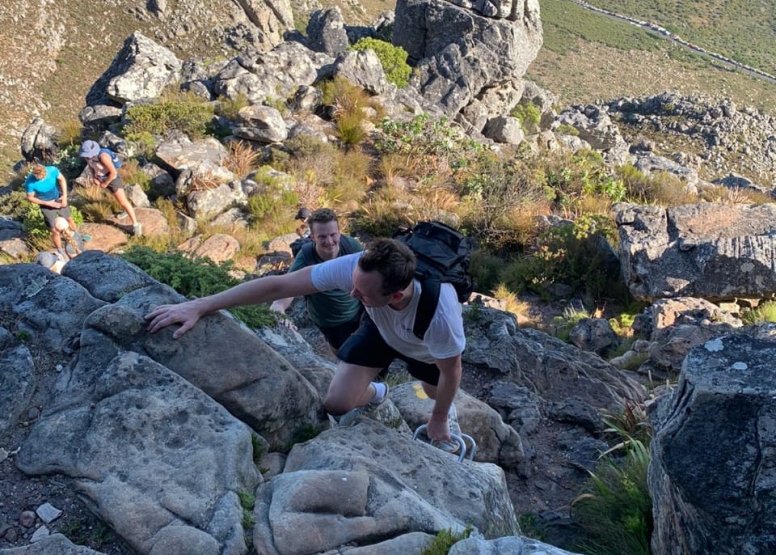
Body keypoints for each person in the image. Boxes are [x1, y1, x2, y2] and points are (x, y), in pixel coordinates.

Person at [146, 238, 466, 452]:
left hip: (423, 345)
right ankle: (380, 393)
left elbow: (452, 372)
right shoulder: (358, 270)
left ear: (396, 295)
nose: (352, 295)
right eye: (353, 285)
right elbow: (280, 284)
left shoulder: (440, 314)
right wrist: (201, 305)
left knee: (436, 390)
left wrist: (436, 417)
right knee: (337, 404)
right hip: (381, 330)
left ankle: (445, 415)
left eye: (362, 293)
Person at [270, 208, 364, 353]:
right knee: (345, 352)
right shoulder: (307, 256)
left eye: (333, 235)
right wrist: (278, 306)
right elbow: (288, 285)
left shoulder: (352, 246)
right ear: (313, 237)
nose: (329, 241)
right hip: (331, 321)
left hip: (359, 309)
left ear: (339, 232)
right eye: (322, 237)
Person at [79, 140, 142, 237]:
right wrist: (94, 177)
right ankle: (126, 210)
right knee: (116, 198)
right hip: (102, 178)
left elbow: (113, 172)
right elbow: (91, 166)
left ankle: (136, 225)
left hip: (112, 180)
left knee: (123, 201)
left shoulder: (103, 157)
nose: (87, 156)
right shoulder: (88, 157)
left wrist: (105, 183)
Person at [25, 163, 79, 253]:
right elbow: (30, 197)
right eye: (39, 178)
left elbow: (62, 179)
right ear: (34, 174)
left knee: (69, 218)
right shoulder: (30, 182)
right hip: (45, 205)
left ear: (45, 171)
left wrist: (64, 196)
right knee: (55, 230)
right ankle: (60, 250)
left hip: (58, 198)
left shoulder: (52, 170)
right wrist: (47, 203)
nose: (41, 179)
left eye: (43, 177)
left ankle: (78, 237)